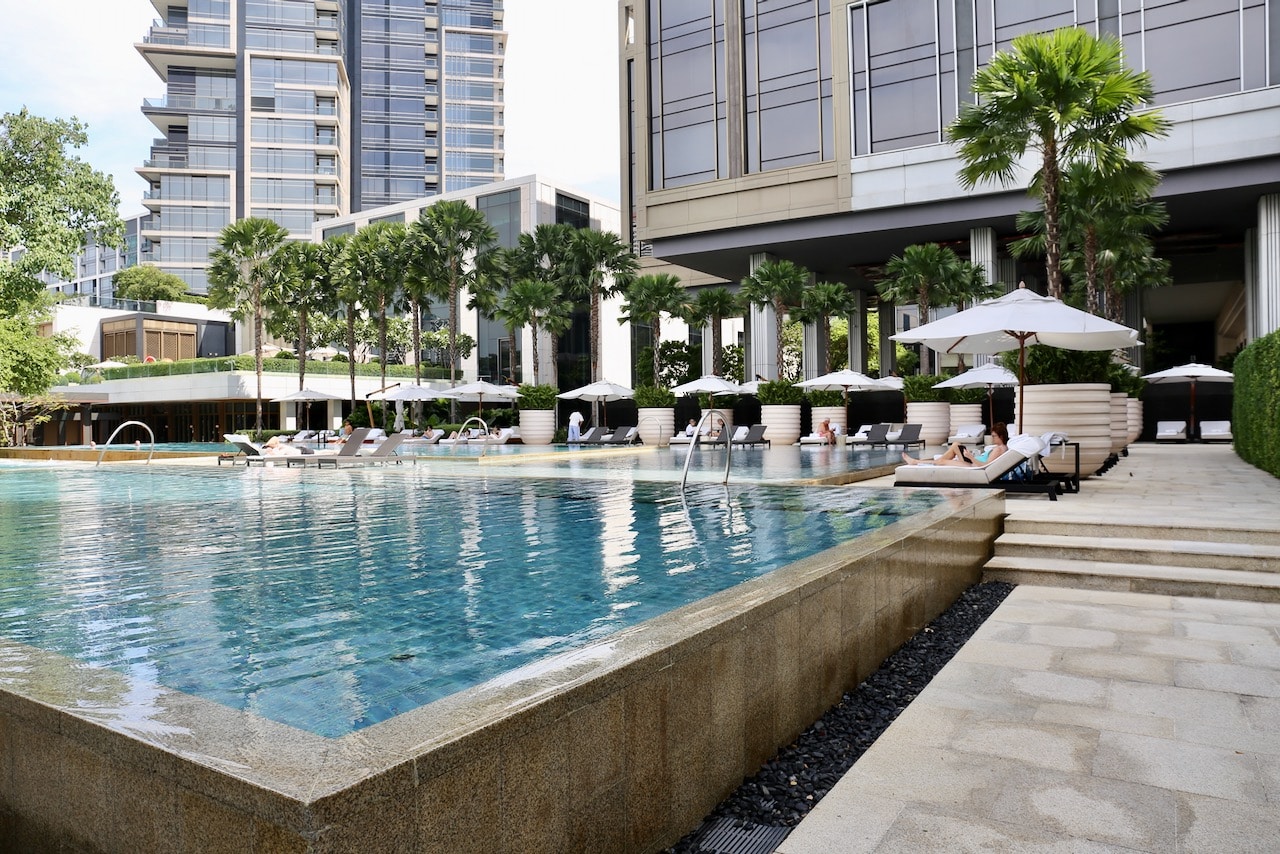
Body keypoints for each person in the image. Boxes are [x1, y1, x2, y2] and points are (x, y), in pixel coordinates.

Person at [901, 422, 1009, 467]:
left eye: (994, 436)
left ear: (1001, 436)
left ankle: (916, 462)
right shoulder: (1000, 448)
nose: (992, 438)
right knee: (955, 445)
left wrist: (970, 457)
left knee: (944, 459)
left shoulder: (999, 449)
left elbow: (985, 465)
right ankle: (917, 462)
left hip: (972, 465)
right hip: (972, 460)